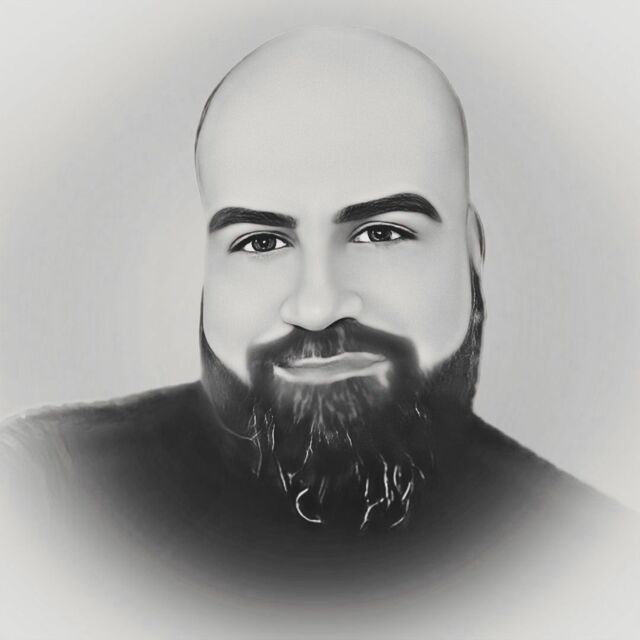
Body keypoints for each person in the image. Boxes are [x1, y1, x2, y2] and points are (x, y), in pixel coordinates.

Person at [1, 26, 636, 638]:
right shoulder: (43, 497)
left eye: (382, 232)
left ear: (472, 250)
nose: (316, 306)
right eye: (261, 241)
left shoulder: (605, 576)